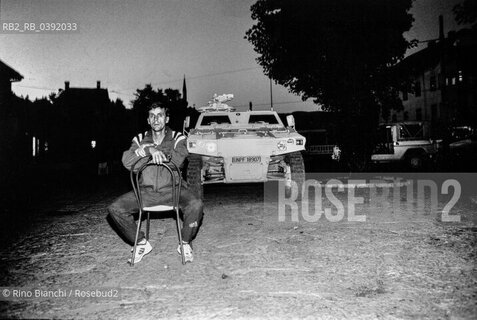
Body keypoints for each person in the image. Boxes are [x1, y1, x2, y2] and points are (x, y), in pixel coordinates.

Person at [108, 102, 203, 264]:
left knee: (196, 204)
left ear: (167, 119)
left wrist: (148, 153)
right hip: (146, 192)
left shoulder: (178, 137)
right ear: (148, 120)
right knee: (115, 208)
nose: (156, 119)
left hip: (174, 190)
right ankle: (141, 243)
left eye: (160, 115)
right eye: (152, 115)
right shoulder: (139, 139)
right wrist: (149, 150)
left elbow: (177, 160)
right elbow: (127, 162)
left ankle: (185, 242)